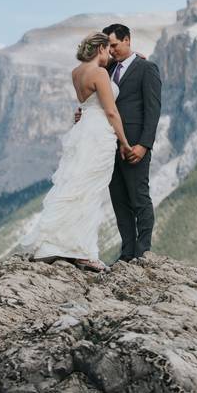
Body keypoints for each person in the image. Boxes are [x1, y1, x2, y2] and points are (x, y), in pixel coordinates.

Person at [22, 32, 132, 272]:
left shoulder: (77, 72)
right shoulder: (100, 73)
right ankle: (83, 252)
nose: (111, 54)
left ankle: (53, 245)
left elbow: (87, 103)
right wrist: (124, 142)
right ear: (101, 48)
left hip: (82, 129)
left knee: (74, 186)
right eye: (108, 50)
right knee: (91, 190)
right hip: (99, 132)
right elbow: (111, 111)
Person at [102, 23, 162, 262]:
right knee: (119, 201)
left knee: (139, 198)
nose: (111, 51)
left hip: (135, 144)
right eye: (108, 47)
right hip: (108, 145)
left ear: (127, 40)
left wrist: (144, 145)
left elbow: (153, 109)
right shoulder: (106, 71)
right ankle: (127, 253)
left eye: (114, 45)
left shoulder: (146, 68)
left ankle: (143, 251)